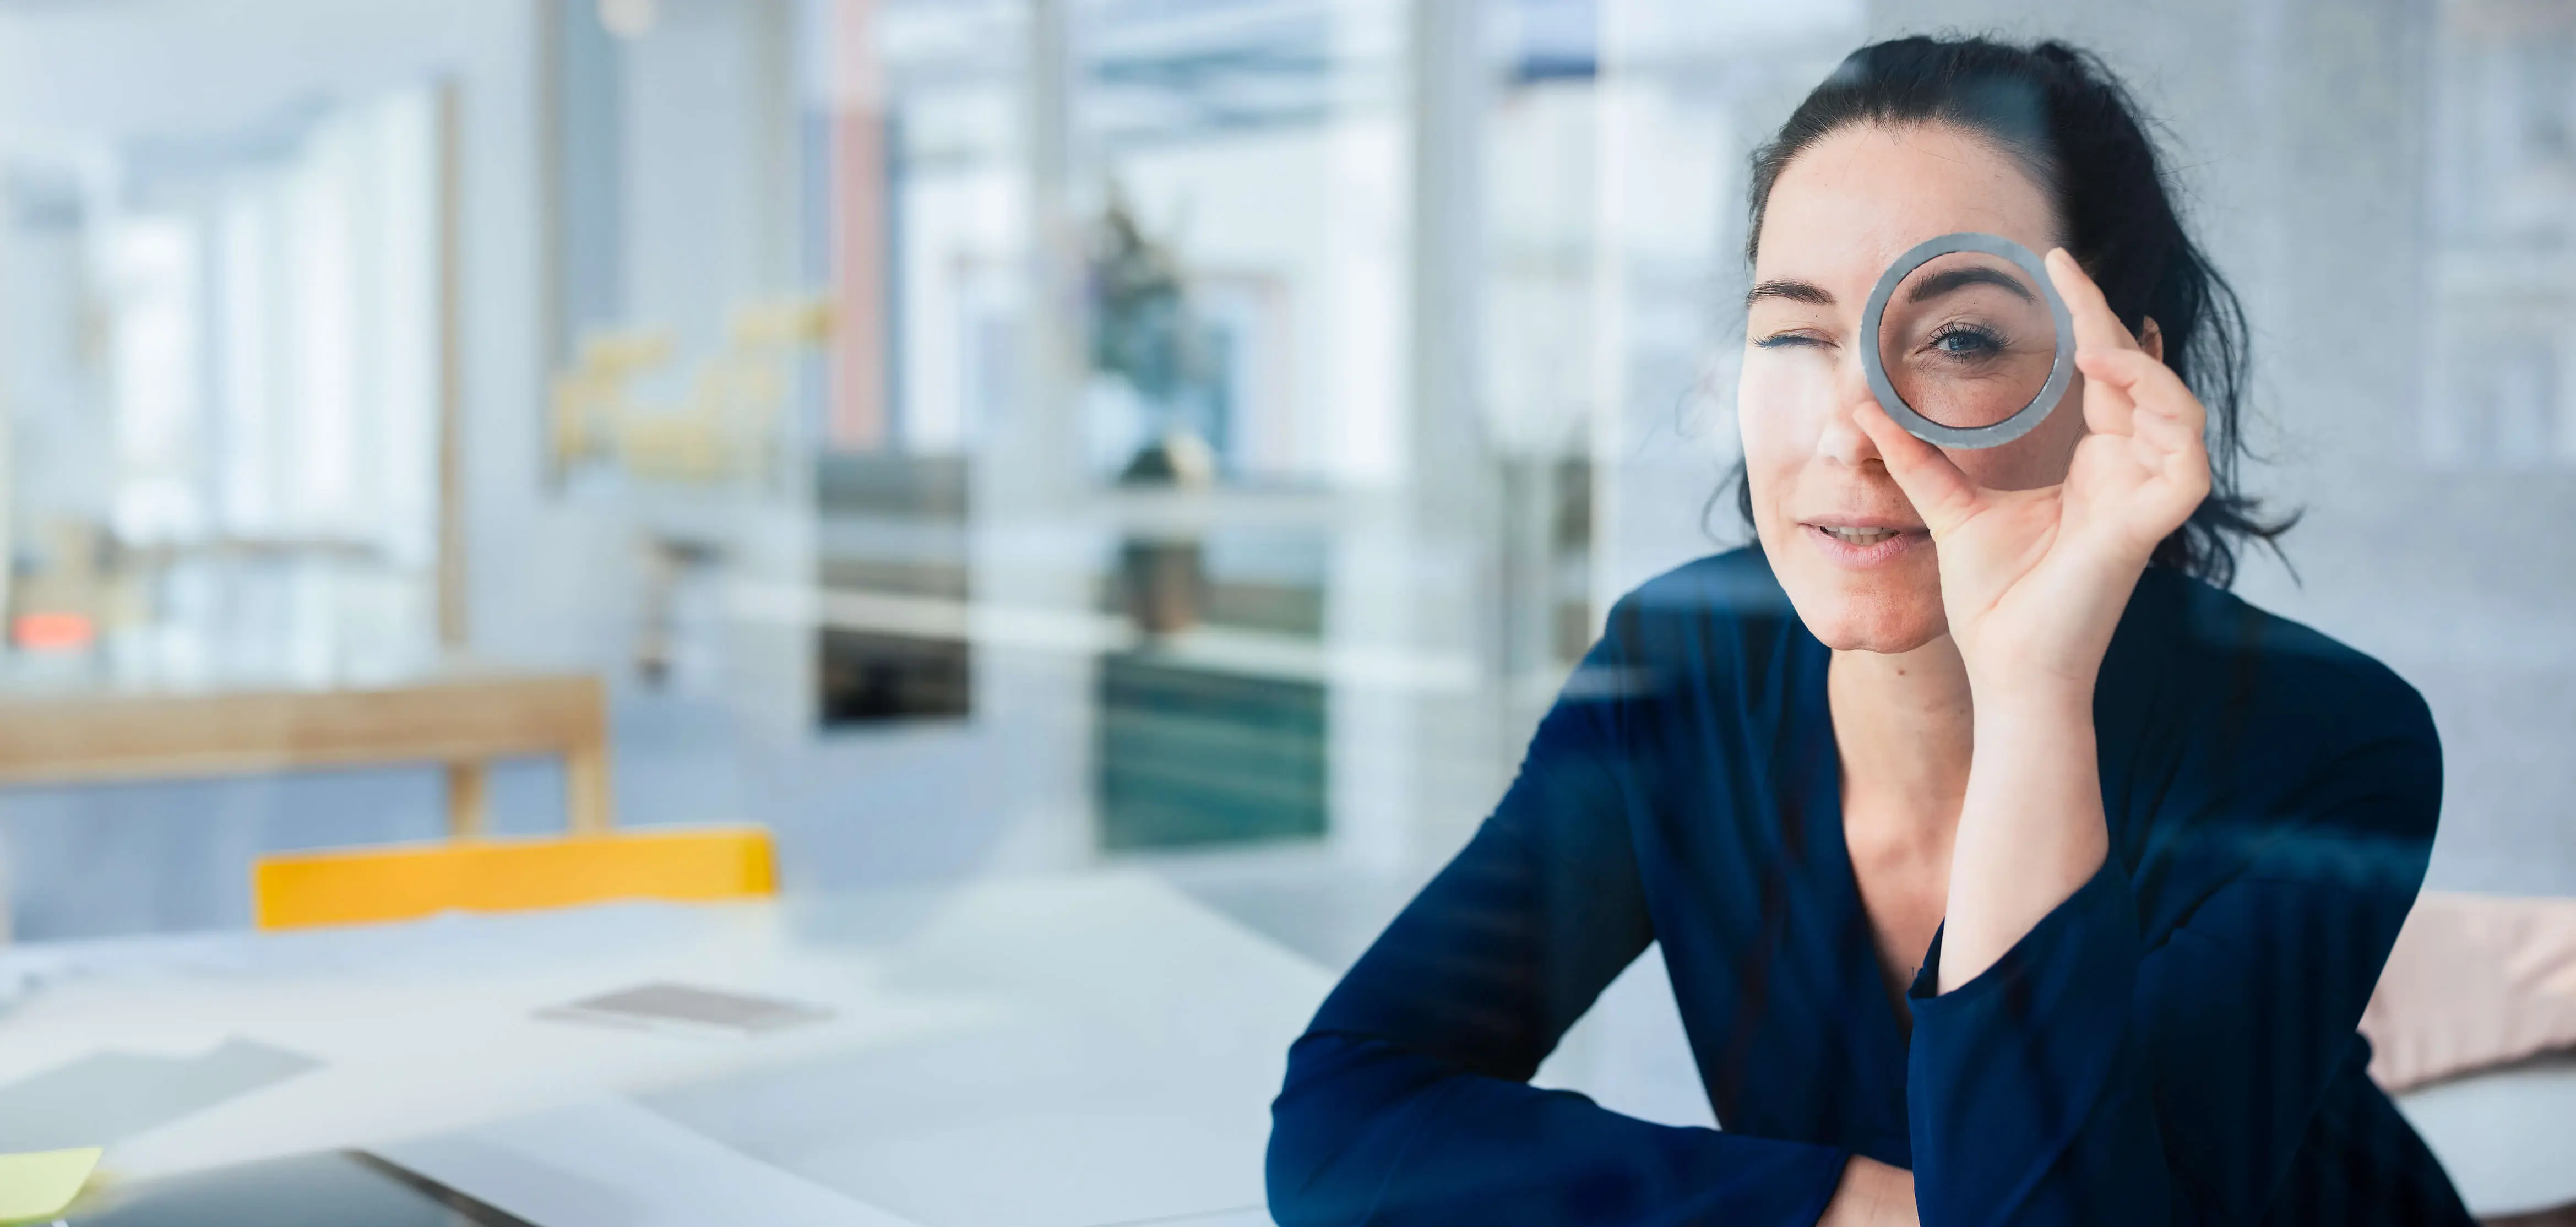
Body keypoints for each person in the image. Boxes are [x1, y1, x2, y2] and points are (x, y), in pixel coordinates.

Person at [1264, 35, 2472, 1227]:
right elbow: (1341, 1126)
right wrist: (1863, 1211)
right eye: (1792, 335)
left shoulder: (2328, 743)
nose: (1849, 431)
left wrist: (2031, 689)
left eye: (1958, 341)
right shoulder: (1677, 668)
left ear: (2115, 382)